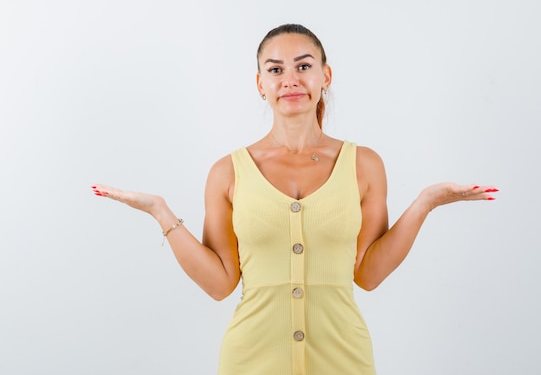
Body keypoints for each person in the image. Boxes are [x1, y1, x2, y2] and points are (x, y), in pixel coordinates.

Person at [92, 23, 498, 375]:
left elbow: (368, 275)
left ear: (325, 76)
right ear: (260, 83)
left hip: (344, 358)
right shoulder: (227, 172)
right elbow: (220, 283)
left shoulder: (364, 165)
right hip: (250, 360)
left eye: (304, 66)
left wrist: (425, 202)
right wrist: (160, 212)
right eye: (275, 69)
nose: (290, 79)